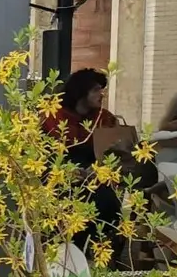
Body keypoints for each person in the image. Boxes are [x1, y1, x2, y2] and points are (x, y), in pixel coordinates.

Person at [44, 69, 127, 257]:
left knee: (108, 205)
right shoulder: (53, 116)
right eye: (96, 90)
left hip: (95, 178)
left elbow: (114, 150)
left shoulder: (103, 117)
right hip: (60, 179)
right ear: (82, 91)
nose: (101, 94)